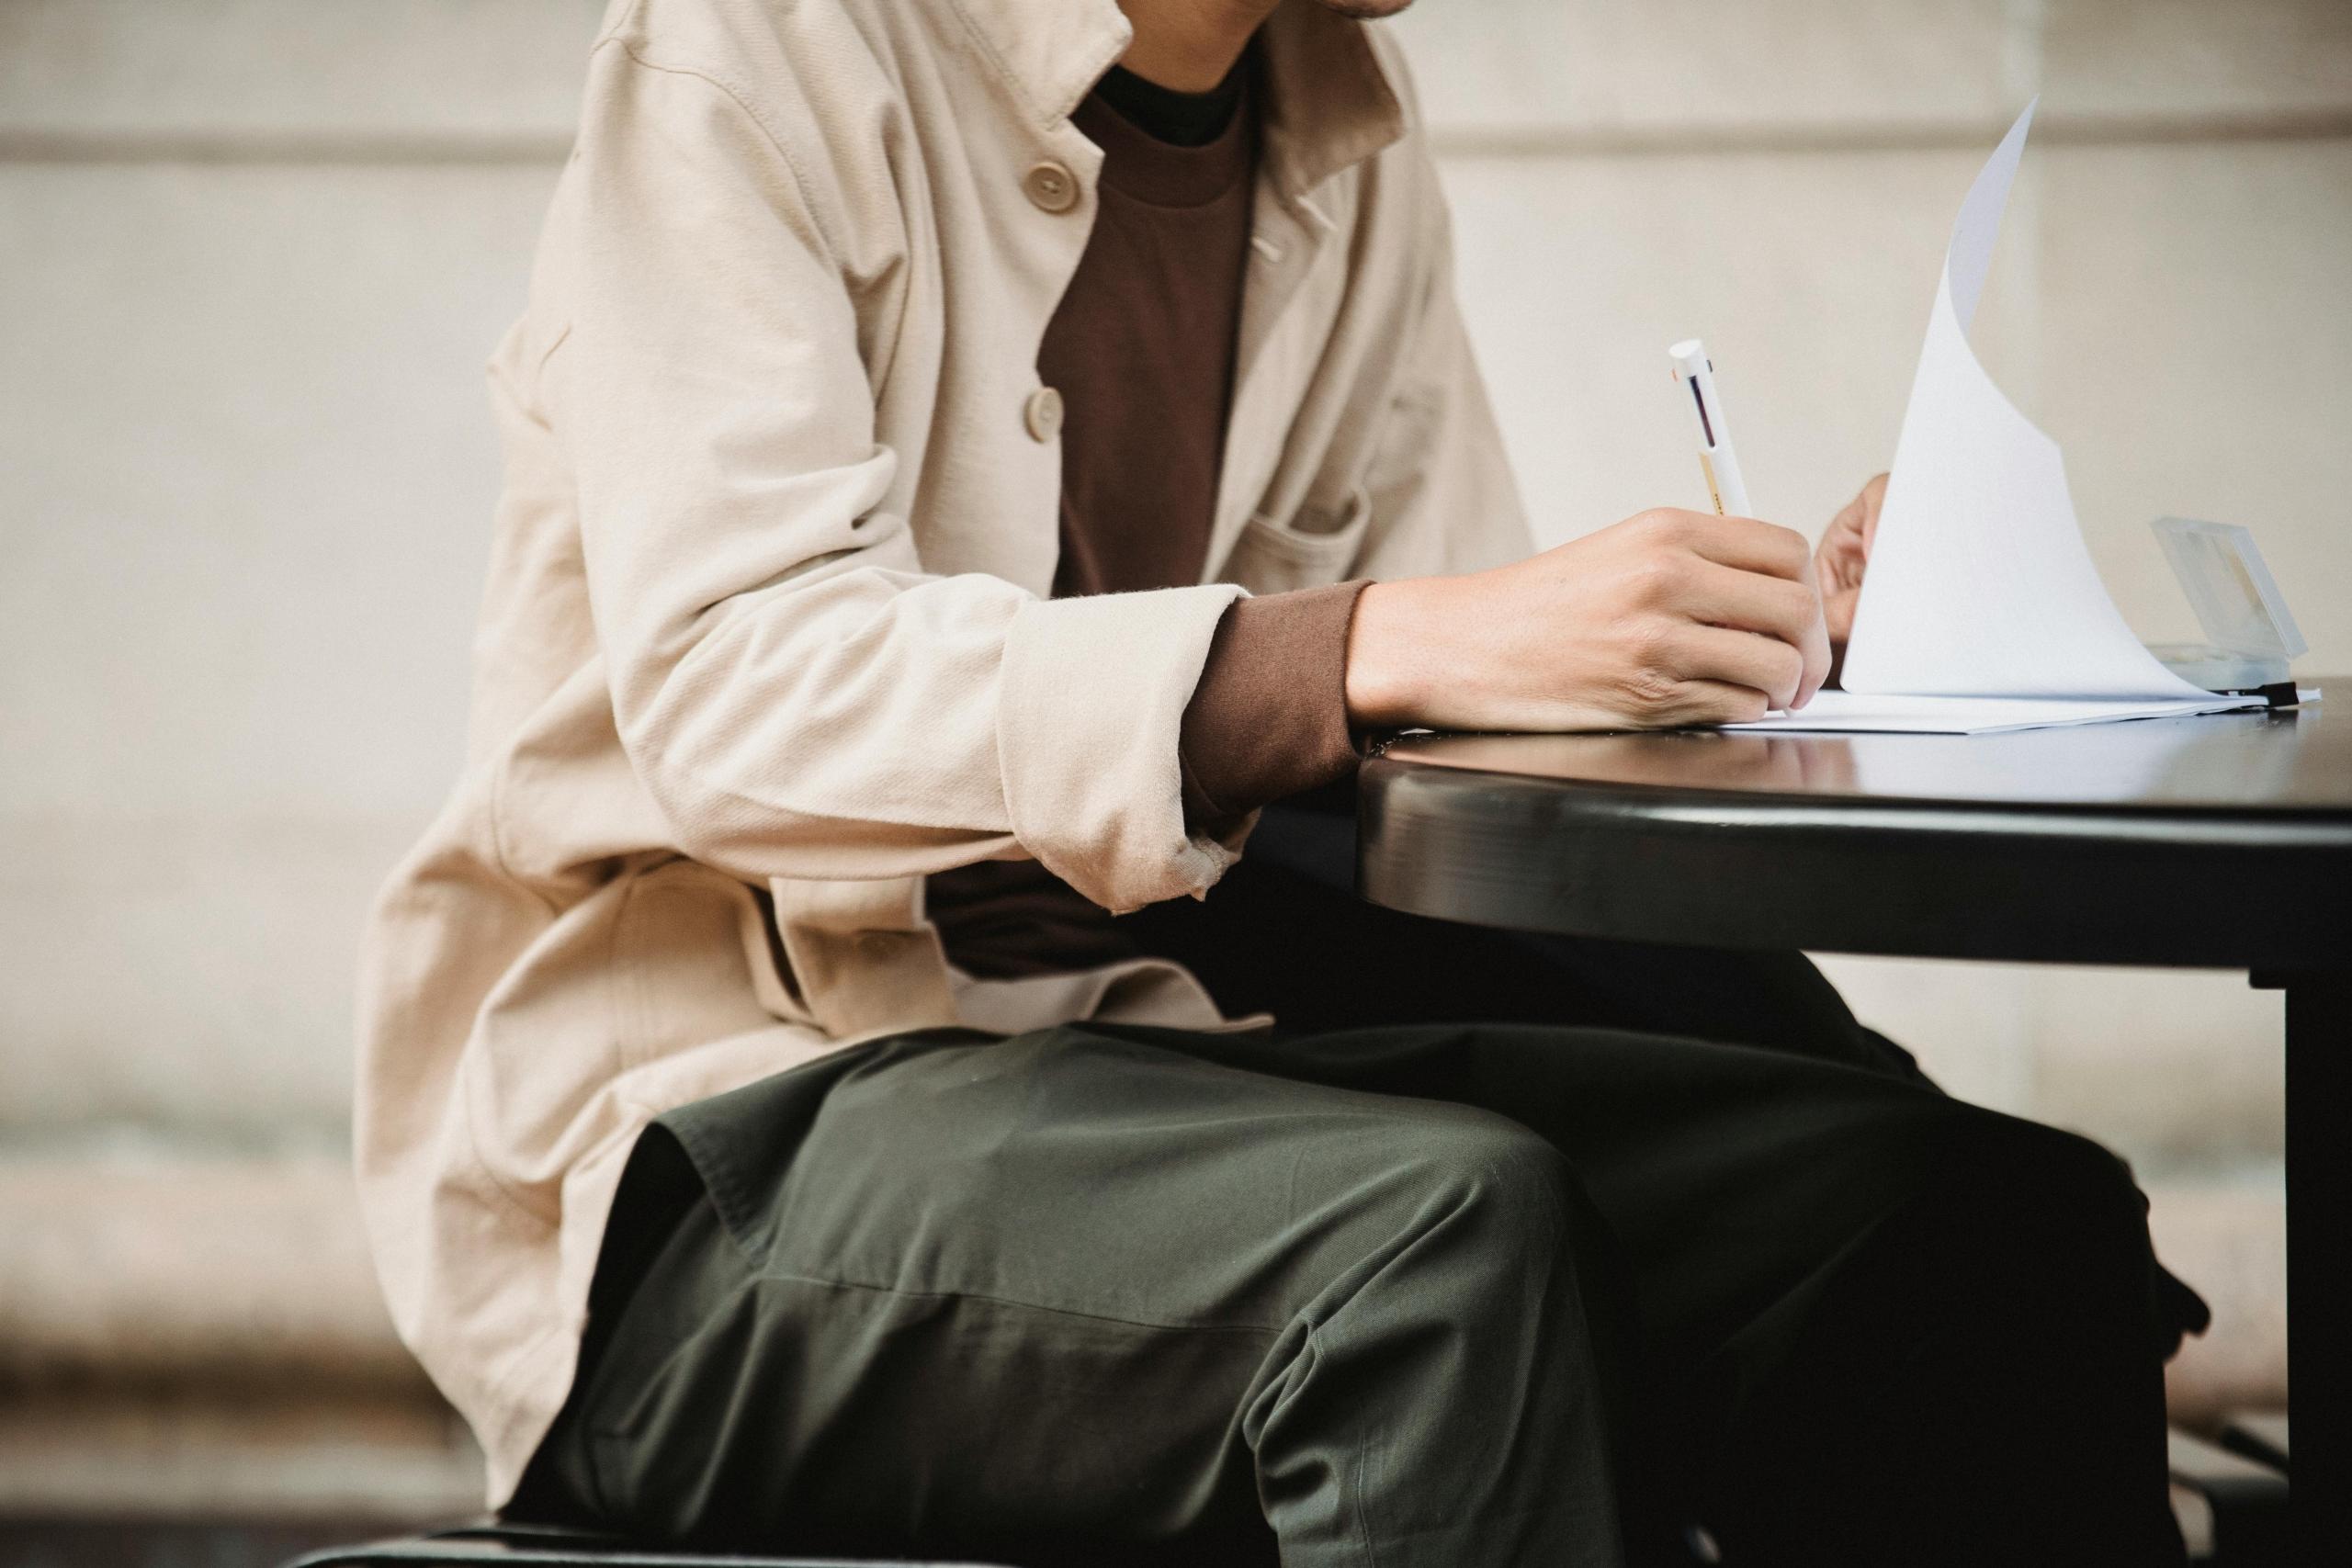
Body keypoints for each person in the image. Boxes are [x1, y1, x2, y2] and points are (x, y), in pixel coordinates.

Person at [356, 0, 2203, 1562]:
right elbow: (729, 689)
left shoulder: (1340, 139)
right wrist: (1374, 643)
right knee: (1435, 1247)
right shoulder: (761, 50)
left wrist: (1777, 656)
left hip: (1179, 1076)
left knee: (1969, 1223)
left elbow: (1444, 728)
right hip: (705, 1160)